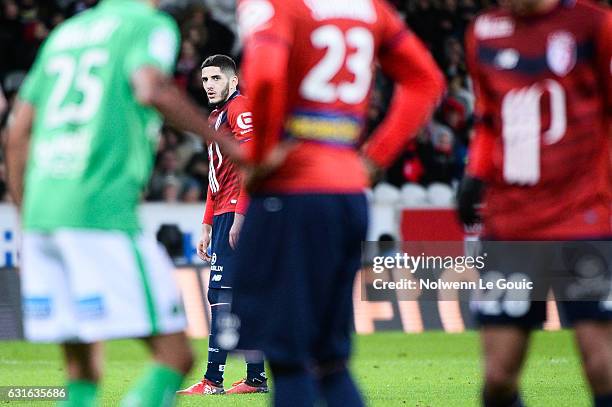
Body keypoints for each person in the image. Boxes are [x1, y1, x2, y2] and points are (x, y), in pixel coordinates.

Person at [4, 1, 235, 406]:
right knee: (176, 355)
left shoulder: (66, 34)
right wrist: (221, 140)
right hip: (100, 212)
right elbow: (151, 87)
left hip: (42, 214)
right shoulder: (147, 24)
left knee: (82, 372)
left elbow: (18, 133)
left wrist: (27, 218)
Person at [223, 0, 445, 406]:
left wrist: (259, 157)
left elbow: (268, 77)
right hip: (348, 192)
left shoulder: (273, 5)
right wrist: (375, 159)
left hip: (291, 194)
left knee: (288, 359)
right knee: (329, 360)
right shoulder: (371, 8)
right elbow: (426, 80)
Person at [457, 0, 612, 405]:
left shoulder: (594, 26)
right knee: (498, 375)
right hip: (511, 227)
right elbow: (488, 118)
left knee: (602, 366)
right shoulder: (483, 32)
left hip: (586, 219)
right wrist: (475, 174)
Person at [177, 54, 268, 396]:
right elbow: (217, 176)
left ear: (232, 81)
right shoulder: (215, 116)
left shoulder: (238, 107)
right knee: (238, 294)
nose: (209, 85)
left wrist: (242, 214)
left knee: (221, 294)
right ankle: (255, 378)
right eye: (205, 80)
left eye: (216, 79)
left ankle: (213, 380)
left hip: (236, 211)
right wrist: (206, 224)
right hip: (222, 213)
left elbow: (252, 159)